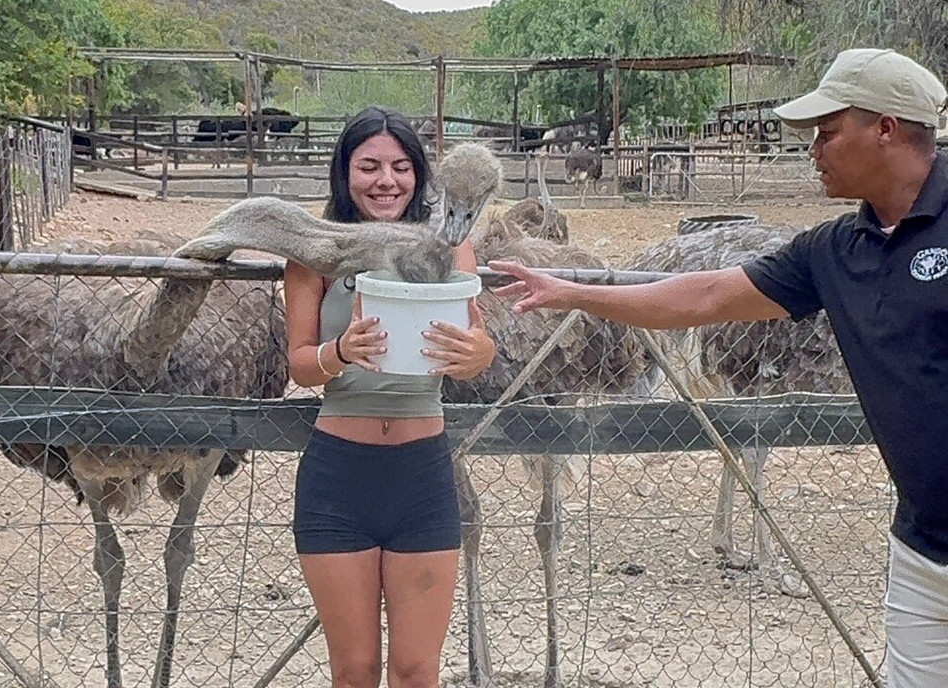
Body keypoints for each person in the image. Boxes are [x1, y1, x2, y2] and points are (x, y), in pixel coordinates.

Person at [489, 48, 948, 688]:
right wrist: (570, 291)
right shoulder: (837, 250)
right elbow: (703, 296)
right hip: (923, 549)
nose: (813, 149)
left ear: (886, 129)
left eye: (828, 132)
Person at [284, 106, 495, 688]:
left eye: (401, 167)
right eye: (370, 166)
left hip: (422, 478)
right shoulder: (314, 250)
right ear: (344, 172)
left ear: (420, 177)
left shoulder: (449, 249)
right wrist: (341, 352)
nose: (386, 181)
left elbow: (476, 346)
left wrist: (479, 355)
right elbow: (301, 366)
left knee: (416, 671)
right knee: (353, 672)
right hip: (337, 481)